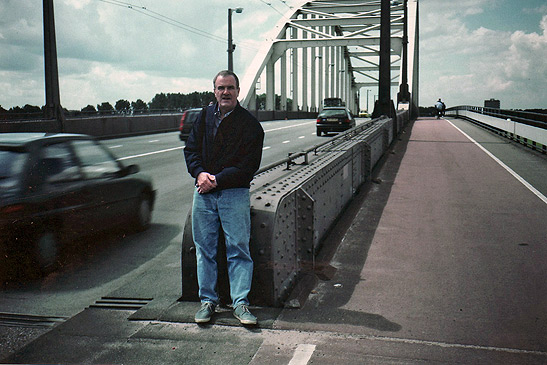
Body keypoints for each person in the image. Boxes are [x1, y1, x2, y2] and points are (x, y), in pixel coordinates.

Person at [184, 70, 265, 325]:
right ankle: (208, 301)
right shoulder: (205, 116)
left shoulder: (250, 125)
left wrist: (215, 180)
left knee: (238, 249)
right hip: (204, 194)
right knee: (204, 249)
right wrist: (199, 174)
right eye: (221, 88)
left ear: (238, 91)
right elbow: (191, 150)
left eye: (230, 88)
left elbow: (248, 165)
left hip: (233, 194)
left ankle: (240, 304)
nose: (225, 92)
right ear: (214, 91)